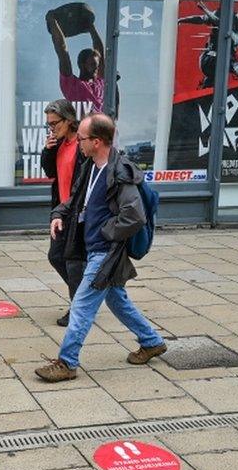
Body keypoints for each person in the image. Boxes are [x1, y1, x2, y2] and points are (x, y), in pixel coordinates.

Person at [36, 113, 167, 383]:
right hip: (94, 247)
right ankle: (151, 341)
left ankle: (67, 362)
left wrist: (106, 233)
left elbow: (134, 216)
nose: (78, 142)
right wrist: (59, 213)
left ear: (96, 142)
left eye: (82, 138)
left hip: (105, 252)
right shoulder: (91, 166)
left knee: (82, 305)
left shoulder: (120, 172)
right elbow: (76, 198)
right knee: (117, 300)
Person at [41, 99, 87, 327]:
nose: (52, 128)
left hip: (78, 212)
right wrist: (47, 151)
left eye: (55, 124)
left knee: (72, 262)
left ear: (69, 121)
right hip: (61, 211)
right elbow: (51, 173)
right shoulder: (58, 144)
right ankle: (86, 298)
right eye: (49, 125)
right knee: (55, 256)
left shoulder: (82, 145)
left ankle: (79, 308)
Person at [46, 3, 106, 114]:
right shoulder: (72, 86)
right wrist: (53, 21)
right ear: (82, 65)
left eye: (97, 65)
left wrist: (91, 27)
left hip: (103, 130)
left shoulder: (100, 83)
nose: (97, 67)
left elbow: (100, 50)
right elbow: (62, 51)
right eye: (93, 64)